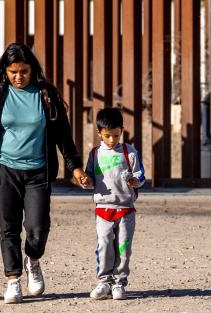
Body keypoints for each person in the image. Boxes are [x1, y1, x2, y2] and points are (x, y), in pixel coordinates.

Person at [0, 42, 91, 303]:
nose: (18, 77)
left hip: (38, 172)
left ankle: (32, 260)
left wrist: (75, 167)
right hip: (4, 170)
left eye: (23, 71)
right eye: (13, 72)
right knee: (8, 228)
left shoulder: (47, 95)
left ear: (33, 69)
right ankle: (13, 280)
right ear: (5, 71)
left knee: (38, 228)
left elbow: (63, 135)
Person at [83, 107, 146, 300]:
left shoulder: (130, 152)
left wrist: (135, 181)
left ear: (122, 131)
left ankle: (119, 283)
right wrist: (86, 182)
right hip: (103, 209)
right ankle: (104, 282)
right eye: (108, 136)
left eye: (116, 136)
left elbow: (141, 176)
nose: (112, 140)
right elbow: (90, 178)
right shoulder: (95, 154)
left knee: (123, 248)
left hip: (126, 209)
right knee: (104, 245)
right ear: (99, 133)